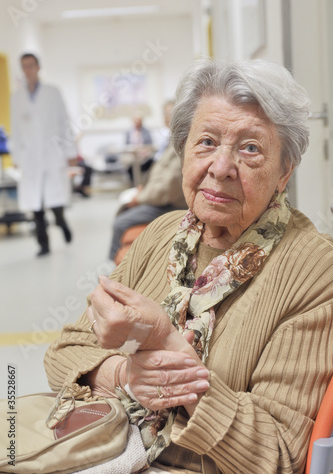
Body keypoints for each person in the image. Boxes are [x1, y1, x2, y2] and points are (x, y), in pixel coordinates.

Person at [44, 59, 333, 473]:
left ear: (284, 171)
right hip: (115, 452)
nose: (220, 167)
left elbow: (280, 455)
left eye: (250, 148)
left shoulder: (315, 269)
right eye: (207, 142)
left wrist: (169, 351)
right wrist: (126, 375)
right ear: (184, 151)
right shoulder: (164, 233)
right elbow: (63, 353)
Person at [10, 53, 77, 256]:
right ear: (22, 69)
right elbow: (16, 129)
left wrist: (70, 152)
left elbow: (64, 124)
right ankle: (43, 244)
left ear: (38, 67)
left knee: (55, 201)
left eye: (31, 65)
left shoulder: (52, 93)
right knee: (36, 205)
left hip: (52, 154)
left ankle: (61, 222)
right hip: (30, 158)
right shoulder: (16, 97)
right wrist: (16, 158)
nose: (28, 70)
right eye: (24, 66)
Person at [109, 101, 187, 262]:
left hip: (168, 205)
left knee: (120, 222)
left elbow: (167, 189)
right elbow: (157, 171)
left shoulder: (181, 144)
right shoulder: (170, 140)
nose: (167, 118)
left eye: (171, 114)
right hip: (156, 198)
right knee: (123, 209)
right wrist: (141, 188)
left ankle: (114, 271)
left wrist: (140, 198)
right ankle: (118, 267)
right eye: (165, 114)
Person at [125, 113, 154, 185]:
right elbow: (126, 145)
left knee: (150, 163)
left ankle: (144, 184)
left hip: (144, 156)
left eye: (139, 120)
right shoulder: (129, 132)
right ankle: (134, 185)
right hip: (132, 156)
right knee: (129, 166)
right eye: (136, 120)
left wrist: (145, 152)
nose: (137, 122)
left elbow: (150, 145)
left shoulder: (146, 131)